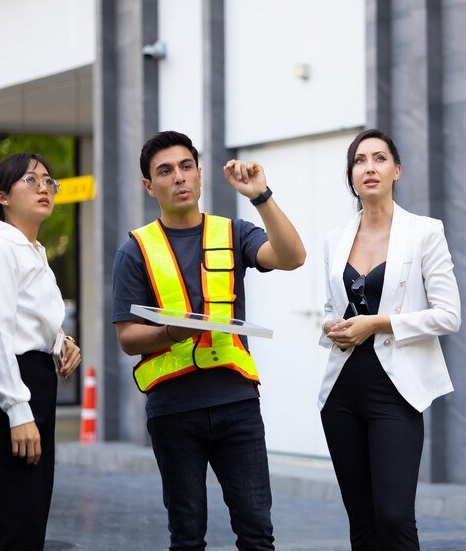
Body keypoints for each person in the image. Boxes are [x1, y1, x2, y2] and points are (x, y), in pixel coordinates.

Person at [112, 130, 306, 551]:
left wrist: (261, 196)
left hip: (237, 403)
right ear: (150, 186)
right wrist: (168, 333)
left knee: (257, 534)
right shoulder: (135, 251)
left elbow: (292, 256)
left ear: (200, 175)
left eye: (186, 167)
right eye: (165, 171)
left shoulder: (233, 232)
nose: (178, 177)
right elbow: (128, 337)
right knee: (187, 537)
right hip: (173, 410)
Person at [318, 128, 461, 550]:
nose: (369, 168)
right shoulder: (334, 240)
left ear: (396, 170)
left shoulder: (424, 232)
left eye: (379, 159)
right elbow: (331, 309)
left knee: (394, 516)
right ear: (351, 176)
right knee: (362, 523)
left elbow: (449, 315)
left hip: (395, 392)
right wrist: (333, 329)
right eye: (360, 161)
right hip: (342, 393)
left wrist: (376, 324)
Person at [0, 153, 82, 551]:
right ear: (2, 196)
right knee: (19, 532)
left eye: (49, 181)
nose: (44, 188)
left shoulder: (33, 252)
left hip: (32, 391)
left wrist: (62, 342)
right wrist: (17, 412)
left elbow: (29, 321)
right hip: (7, 401)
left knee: (28, 531)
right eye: (31, 181)